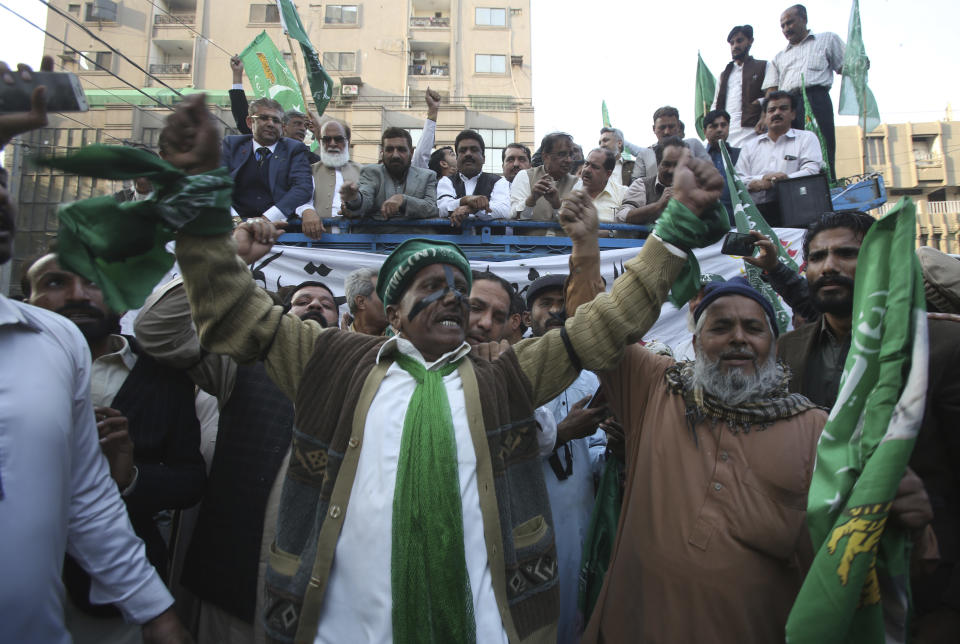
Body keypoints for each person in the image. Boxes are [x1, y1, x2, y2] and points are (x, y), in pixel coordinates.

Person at [155, 93, 730, 643]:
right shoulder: (331, 359)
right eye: (432, 288)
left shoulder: (504, 375)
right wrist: (201, 194)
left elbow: (600, 328)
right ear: (395, 315)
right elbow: (236, 314)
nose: (453, 299)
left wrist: (674, 231)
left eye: (459, 288)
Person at [560, 209, 929, 641]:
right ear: (695, 344)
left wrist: (910, 521)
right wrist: (585, 245)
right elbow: (593, 326)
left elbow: (862, 550)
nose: (739, 337)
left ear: (774, 346)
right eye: (721, 326)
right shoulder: (655, 390)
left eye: (754, 328)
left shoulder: (818, 431)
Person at [0, 57, 188, 644]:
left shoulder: (53, 345)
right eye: (56, 282)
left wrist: (156, 613)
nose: (78, 296)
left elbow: (86, 497)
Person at [748, 215, 960, 643]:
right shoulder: (787, 351)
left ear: (882, 263)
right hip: (820, 578)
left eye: (846, 253)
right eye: (817, 256)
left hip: (922, 588)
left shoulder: (942, 346)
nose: (828, 266)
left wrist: (952, 607)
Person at [23, 253, 206, 642]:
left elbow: (190, 481)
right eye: (55, 283)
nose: (78, 295)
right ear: (27, 303)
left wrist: (130, 478)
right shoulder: (10, 366)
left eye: (95, 284)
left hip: (117, 601)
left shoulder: (164, 374)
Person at [525, 273, 606, 644]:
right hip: (527, 520)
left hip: (579, 515)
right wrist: (562, 433)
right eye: (546, 304)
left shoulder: (589, 373)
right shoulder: (510, 369)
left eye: (563, 302)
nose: (556, 311)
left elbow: (595, 448)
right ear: (527, 317)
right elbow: (499, 443)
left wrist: (613, 452)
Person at [763, 4, 845, 176]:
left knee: (821, 147)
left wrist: (860, 63)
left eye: (790, 23)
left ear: (804, 19)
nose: (786, 29)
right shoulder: (778, 57)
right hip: (787, 106)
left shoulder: (827, 39)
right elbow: (771, 90)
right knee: (789, 152)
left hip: (816, 99)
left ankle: (827, 186)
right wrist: (767, 116)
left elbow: (847, 66)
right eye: (783, 26)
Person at [734, 91, 822, 225]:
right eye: (771, 110)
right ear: (765, 116)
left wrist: (785, 179)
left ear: (793, 114)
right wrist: (757, 181)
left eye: (783, 108)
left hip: (797, 209)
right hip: (758, 213)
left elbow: (812, 170)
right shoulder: (750, 146)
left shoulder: (806, 138)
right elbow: (738, 178)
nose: (776, 113)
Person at [221, 97, 313, 223]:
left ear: (282, 127)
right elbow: (216, 185)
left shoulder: (294, 149)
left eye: (276, 120)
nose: (270, 124)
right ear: (249, 122)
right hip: (233, 226)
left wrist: (266, 219)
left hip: (279, 228)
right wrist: (236, 221)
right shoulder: (232, 145)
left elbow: (303, 188)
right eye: (263, 118)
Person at [340, 127, 439, 223]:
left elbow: (431, 208)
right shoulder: (371, 172)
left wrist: (403, 200)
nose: (395, 155)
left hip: (415, 238)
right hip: (377, 237)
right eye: (389, 150)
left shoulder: (427, 176)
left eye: (401, 149)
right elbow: (365, 198)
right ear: (382, 152)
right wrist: (354, 198)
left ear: (411, 152)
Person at [297, 120, 361, 239]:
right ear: (320, 142)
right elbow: (299, 199)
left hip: (359, 245)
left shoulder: (363, 171)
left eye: (338, 139)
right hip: (319, 244)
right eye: (327, 139)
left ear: (348, 142)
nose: (332, 143)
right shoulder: (309, 171)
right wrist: (307, 211)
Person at [437, 129, 511, 225]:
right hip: (452, 240)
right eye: (463, 150)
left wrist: (470, 209)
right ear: (457, 158)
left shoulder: (498, 181)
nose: (468, 154)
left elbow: (504, 210)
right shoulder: (446, 181)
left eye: (474, 150)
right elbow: (442, 208)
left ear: (483, 158)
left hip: (489, 240)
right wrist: (465, 200)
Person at [510, 131, 579, 233]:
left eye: (571, 155)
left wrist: (557, 205)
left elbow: (578, 223)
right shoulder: (525, 176)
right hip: (527, 248)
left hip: (566, 248)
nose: (568, 160)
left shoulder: (577, 183)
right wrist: (531, 200)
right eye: (562, 154)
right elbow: (514, 216)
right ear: (545, 156)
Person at [712, 25, 767, 147]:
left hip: (752, 129)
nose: (735, 46)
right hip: (726, 130)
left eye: (739, 41)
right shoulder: (724, 75)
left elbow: (772, 95)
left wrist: (761, 105)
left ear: (750, 41)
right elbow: (715, 105)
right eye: (732, 43)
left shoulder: (763, 66)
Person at [617, 136, 687, 224]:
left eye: (677, 165)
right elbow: (622, 216)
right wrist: (658, 205)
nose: (671, 170)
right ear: (658, 163)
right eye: (667, 164)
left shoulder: (693, 188)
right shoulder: (642, 184)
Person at [703, 109, 740, 222]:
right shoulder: (698, 160)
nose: (719, 129)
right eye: (714, 126)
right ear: (704, 131)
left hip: (739, 221)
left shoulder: (740, 155)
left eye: (723, 125)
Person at [573, 147, 625, 226]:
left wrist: (610, 233)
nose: (587, 170)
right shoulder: (572, 187)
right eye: (586, 164)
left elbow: (629, 230)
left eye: (594, 167)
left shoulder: (622, 194)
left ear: (608, 174)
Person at [344, 266, 388, 336]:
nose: (390, 301)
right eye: (383, 294)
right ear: (361, 302)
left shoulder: (403, 341)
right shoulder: (338, 344)